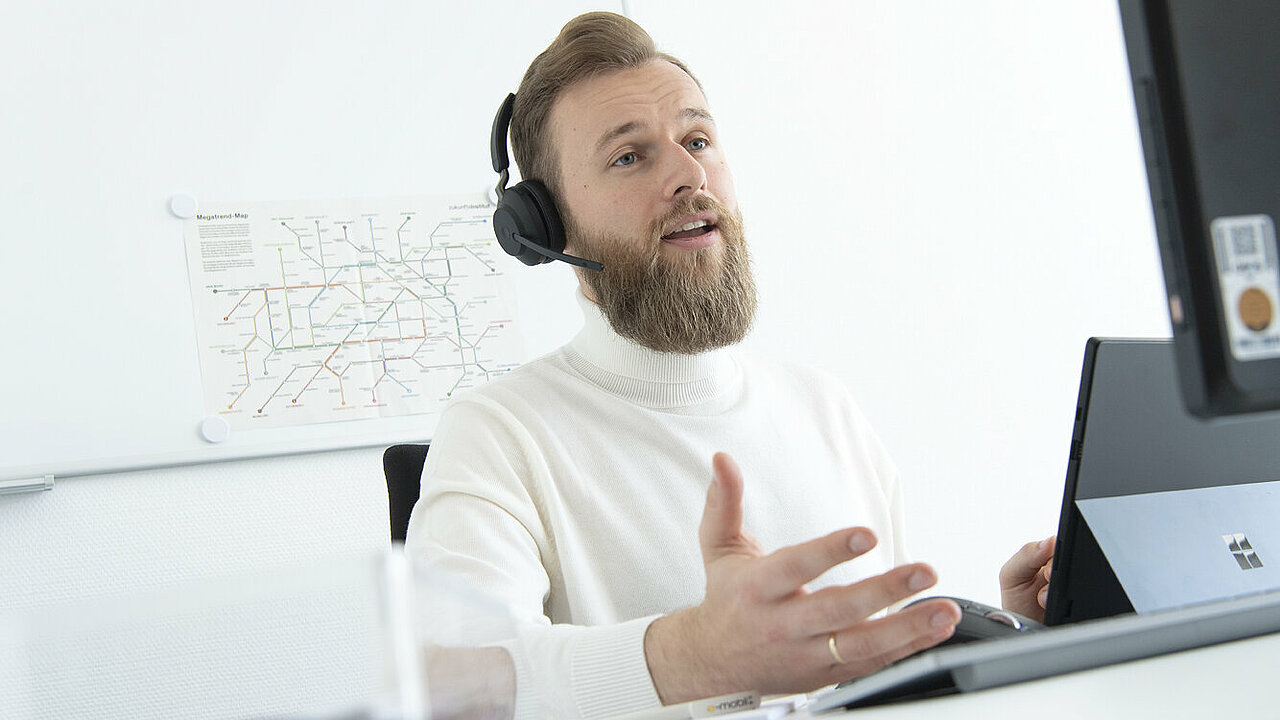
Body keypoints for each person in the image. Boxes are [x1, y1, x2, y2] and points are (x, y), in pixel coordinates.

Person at [404, 11, 1053, 719]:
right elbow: (458, 692)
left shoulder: (824, 407)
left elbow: (873, 685)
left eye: (698, 140)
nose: (690, 176)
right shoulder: (498, 433)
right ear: (546, 226)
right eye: (630, 156)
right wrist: (695, 657)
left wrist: (1016, 644)